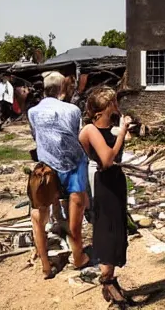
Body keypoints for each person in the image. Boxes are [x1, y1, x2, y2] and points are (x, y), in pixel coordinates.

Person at [27, 71, 90, 279]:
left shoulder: (33, 112)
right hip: (73, 164)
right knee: (76, 212)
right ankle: (78, 256)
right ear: (62, 88)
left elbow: (36, 136)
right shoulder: (72, 110)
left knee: (38, 216)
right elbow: (75, 135)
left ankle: (45, 266)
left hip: (46, 168)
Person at [79, 87, 132, 307]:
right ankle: (107, 279)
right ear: (102, 108)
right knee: (106, 229)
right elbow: (107, 159)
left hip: (115, 180)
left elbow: (120, 148)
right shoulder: (90, 129)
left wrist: (121, 130)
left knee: (118, 228)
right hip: (101, 181)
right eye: (112, 103)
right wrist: (121, 134)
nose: (115, 106)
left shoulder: (110, 128)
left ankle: (110, 279)